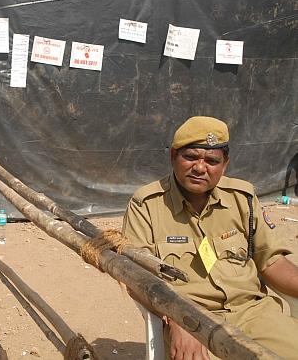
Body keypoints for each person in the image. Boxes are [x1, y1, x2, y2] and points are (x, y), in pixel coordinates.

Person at [122, 116, 298, 359]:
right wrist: (178, 318)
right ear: (173, 156)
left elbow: (271, 262)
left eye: (212, 161)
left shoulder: (242, 198)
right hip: (192, 318)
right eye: (191, 157)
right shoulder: (146, 205)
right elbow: (137, 279)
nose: (200, 168)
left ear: (224, 165)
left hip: (254, 312)